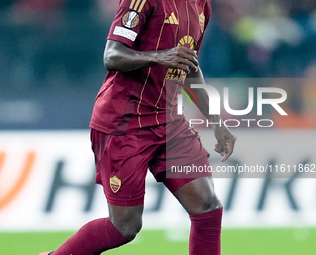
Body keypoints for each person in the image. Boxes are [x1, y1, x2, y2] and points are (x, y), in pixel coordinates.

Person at [39, 0, 236, 254]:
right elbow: (112, 55)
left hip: (168, 121)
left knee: (208, 206)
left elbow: (190, 66)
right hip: (124, 122)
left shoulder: (202, 5)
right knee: (125, 227)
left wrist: (217, 122)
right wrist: (159, 56)